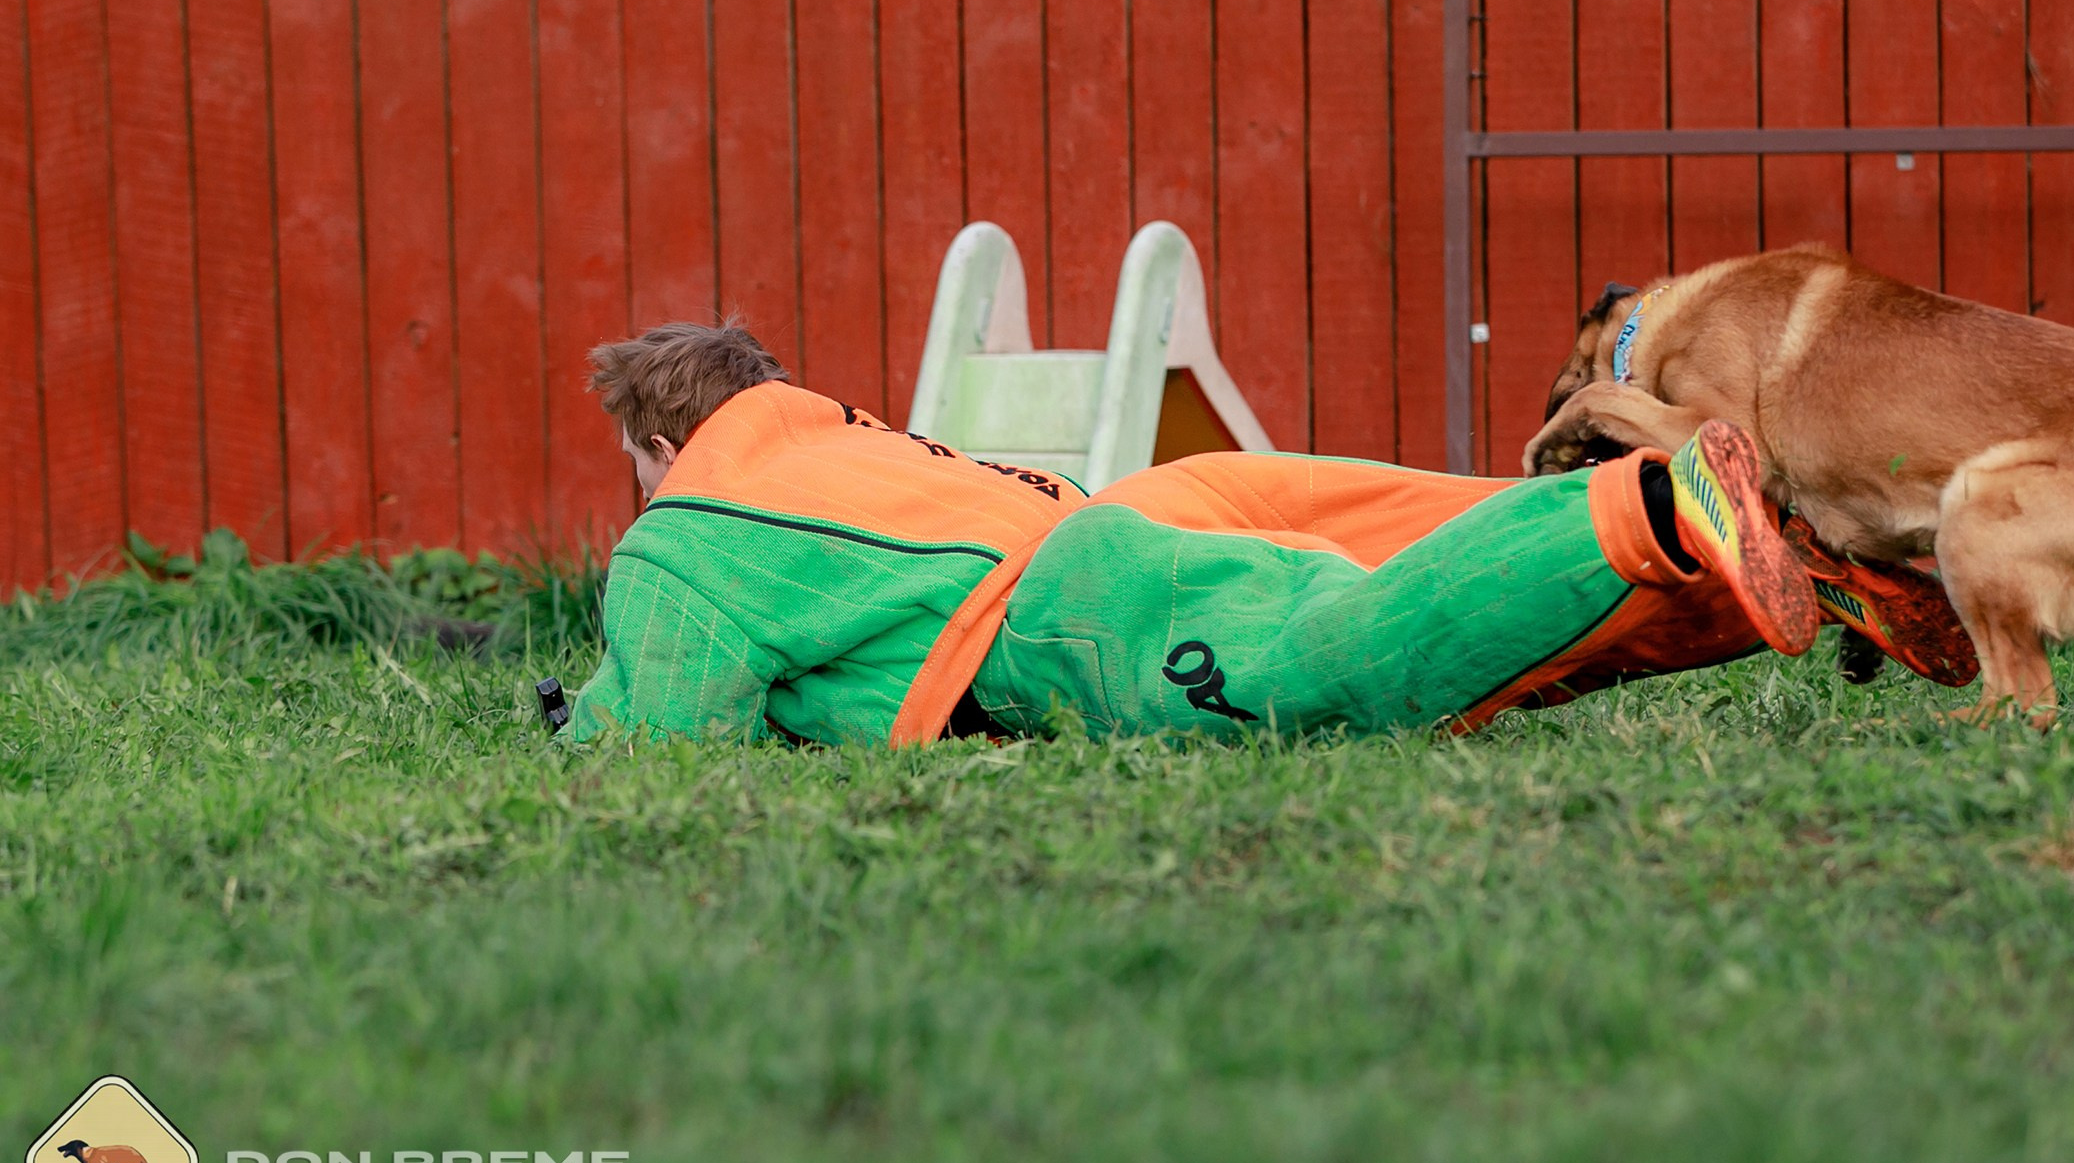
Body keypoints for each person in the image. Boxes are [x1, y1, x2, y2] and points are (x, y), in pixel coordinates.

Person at [563, 321, 1973, 748]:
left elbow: (664, 734)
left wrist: (585, 718)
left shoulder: (691, 526)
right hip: (1149, 510)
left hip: (1078, 614)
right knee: (1449, 544)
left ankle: (1654, 504)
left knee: (1347, 662)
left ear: (665, 447)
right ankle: (1774, 553)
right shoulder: (843, 437)